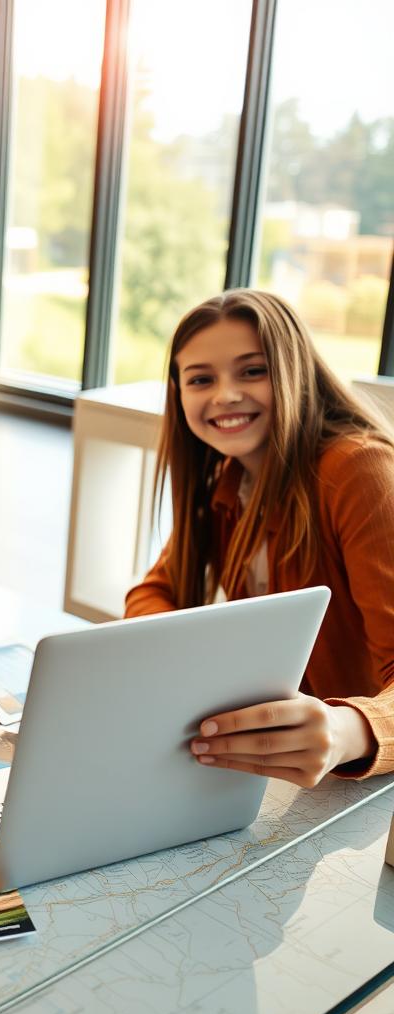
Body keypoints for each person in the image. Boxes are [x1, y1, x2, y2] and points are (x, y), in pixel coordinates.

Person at [125, 289, 394, 786]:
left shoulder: (358, 468)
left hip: (360, 784)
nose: (225, 395)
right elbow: (151, 591)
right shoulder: (227, 480)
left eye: (252, 370)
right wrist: (191, 657)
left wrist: (348, 730)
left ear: (294, 372)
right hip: (271, 769)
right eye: (201, 379)